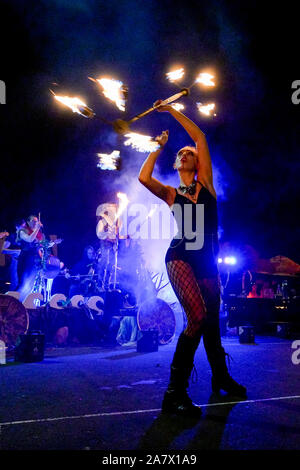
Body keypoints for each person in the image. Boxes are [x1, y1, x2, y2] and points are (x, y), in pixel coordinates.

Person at [138, 102, 246, 417]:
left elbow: (199, 136)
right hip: (180, 256)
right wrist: (157, 147)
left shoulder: (207, 187)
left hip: (207, 259)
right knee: (196, 318)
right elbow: (144, 178)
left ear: (198, 163)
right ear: (177, 163)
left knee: (212, 321)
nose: (187, 154)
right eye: (181, 153)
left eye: (191, 153)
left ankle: (221, 378)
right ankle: (174, 393)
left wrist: (172, 110)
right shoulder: (173, 193)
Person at [16, 215, 44, 301]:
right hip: (26, 259)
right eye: (33, 221)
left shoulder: (37, 234)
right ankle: (14, 305)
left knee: (30, 285)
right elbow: (29, 239)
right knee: (24, 284)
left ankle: (22, 305)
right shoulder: (22, 231)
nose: (36, 223)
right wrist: (37, 229)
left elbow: (38, 248)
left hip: (34, 261)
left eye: (36, 221)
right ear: (28, 222)